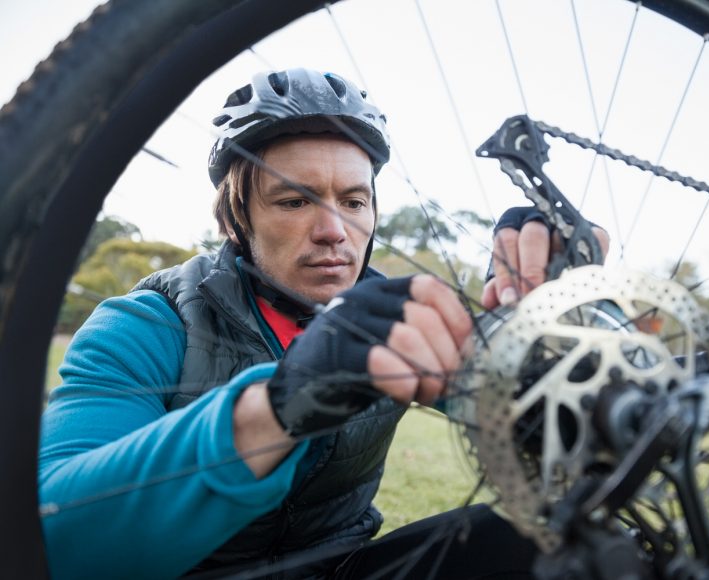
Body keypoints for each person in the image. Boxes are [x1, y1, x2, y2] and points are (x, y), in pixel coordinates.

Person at [39, 68, 604, 578]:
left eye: (355, 201)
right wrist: (281, 404)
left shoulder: (396, 316)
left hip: (341, 569)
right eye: (294, 201)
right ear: (239, 219)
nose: (334, 229)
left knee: (531, 543)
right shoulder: (146, 324)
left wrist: (554, 308)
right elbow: (50, 533)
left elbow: (561, 417)